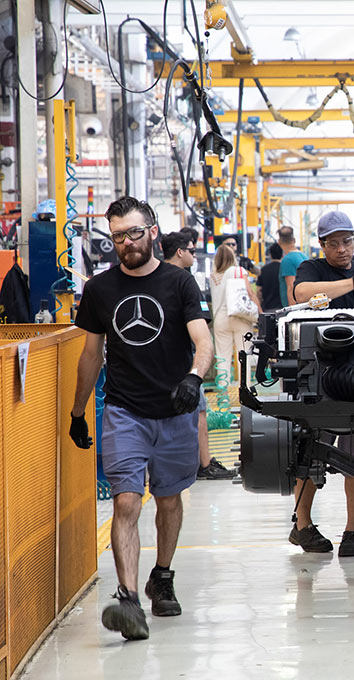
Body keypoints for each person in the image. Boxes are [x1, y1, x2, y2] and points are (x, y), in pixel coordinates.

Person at [70, 196, 213, 640]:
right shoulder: (99, 290)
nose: (126, 243)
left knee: (169, 500)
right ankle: (129, 600)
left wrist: (194, 378)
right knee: (127, 501)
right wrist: (78, 411)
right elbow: (91, 355)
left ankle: (162, 577)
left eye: (134, 233)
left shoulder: (179, 282)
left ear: (153, 231)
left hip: (174, 411)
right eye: (117, 236)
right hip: (124, 411)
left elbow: (203, 340)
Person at [288, 211, 354, 558]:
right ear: (322, 245)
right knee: (310, 451)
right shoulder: (313, 270)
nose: (342, 249)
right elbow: (300, 294)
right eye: (334, 243)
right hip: (318, 374)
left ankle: (353, 531)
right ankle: (302, 526)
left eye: (347, 241)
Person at [160, 232, 234, 481]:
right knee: (199, 409)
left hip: (159, 361)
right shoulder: (184, 280)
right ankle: (204, 463)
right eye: (192, 250)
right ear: (180, 252)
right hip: (184, 358)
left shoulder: (154, 278)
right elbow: (203, 320)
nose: (194, 254)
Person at [209, 244, 261, 386]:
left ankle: (223, 392)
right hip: (240, 317)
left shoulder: (213, 277)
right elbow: (249, 293)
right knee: (244, 354)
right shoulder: (238, 271)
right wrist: (260, 312)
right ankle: (245, 390)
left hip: (220, 318)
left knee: (222, 357)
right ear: (232, 257)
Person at [278, 226, 308, 307]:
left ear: (279, 242)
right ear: (294, 240)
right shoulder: (304, 256)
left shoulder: (287, 260)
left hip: (296, 308)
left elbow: (291, 287)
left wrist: (292, 311)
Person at [256, 242, 284, 312]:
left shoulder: (263, 270)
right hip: (283, 307)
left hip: (267, 307)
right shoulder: (284, 269)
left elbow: (259, 291)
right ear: (282, 255)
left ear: (270, 255)